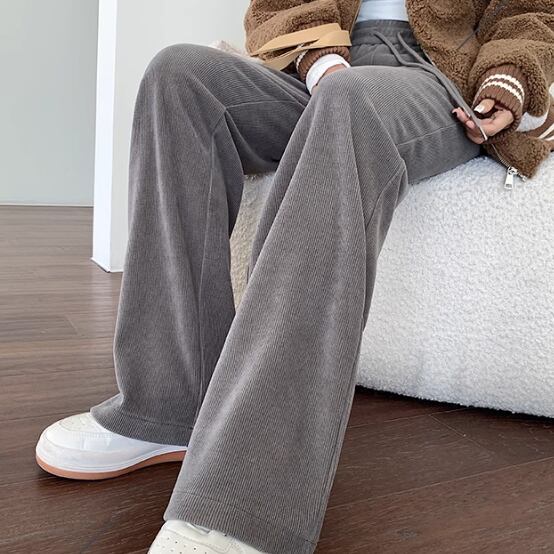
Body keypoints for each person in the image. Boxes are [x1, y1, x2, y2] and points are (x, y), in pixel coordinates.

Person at [35, 1, 553, 553]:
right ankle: (166, 405)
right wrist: (320, 59)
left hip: (436, 78)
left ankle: (250, 497)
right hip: (324, 58)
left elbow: (530, 10)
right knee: (180, 76)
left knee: (349, 102)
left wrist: (508, 79)